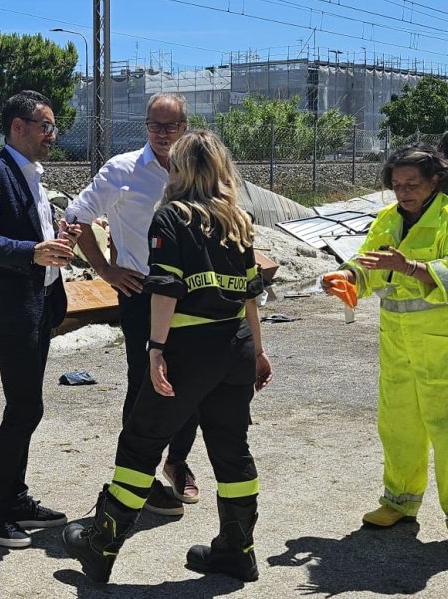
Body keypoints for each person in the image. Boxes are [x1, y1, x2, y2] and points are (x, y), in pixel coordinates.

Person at [63, 130, 273, 584]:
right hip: (234, 344)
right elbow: (252, 296)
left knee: (141, 441)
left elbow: (166, 291)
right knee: (232, 448)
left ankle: (101, 544)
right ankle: (238, 551)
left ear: (183, 171)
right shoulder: (238, 219)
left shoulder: (171, 217)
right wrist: (258, 351)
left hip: (187, 350)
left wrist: (156, 349)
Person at [321, 144, 448, 559]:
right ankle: (399, 502)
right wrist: (346, 276)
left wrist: (411, 268)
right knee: (399, 426)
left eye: (412, 184)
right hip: (400, 343)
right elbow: (370, 262)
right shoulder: (387, 219)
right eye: (397, 185)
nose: (403, 193)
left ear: (435, 181)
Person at [64, 92, 200, 517]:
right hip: (141, 293)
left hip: (192, 293)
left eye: (171, 126)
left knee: (194, 380)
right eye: (155, 126)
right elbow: (75, 216)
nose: (162, 134)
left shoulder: (196, 169)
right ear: (146, 126)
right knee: (143, 383)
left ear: (185, 126)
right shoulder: (122, 170)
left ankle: (176, 462)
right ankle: (133, 473)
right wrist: (106, 271)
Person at [0, 90, 81, 549]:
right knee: (26, 408)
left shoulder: (31, 173)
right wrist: (32, 251)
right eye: (46, 126)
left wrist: (54, 233)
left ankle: (14, 497)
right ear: (18, 126)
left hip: (39, 304)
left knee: (27, 407)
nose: (53, 134)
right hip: (9, 310)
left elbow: (27, 227)